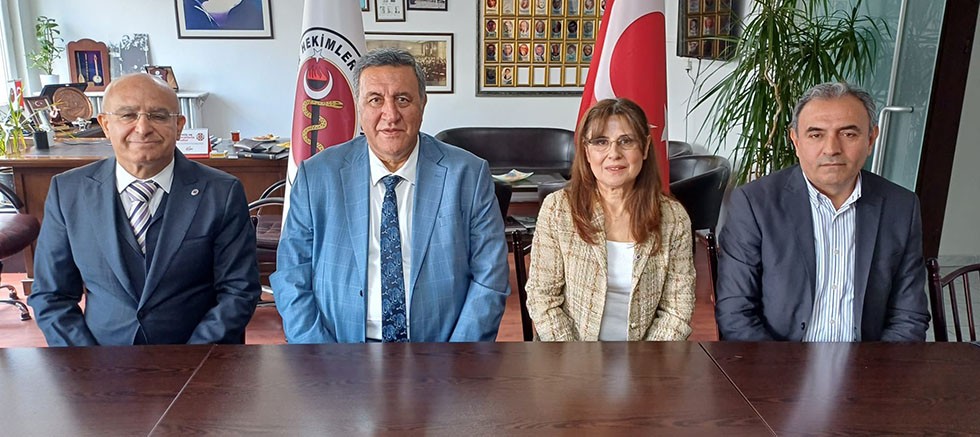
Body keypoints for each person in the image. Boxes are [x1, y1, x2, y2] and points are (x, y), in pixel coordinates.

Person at [273, 48, 510, 343]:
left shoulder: (468, 175)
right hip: (338, 351)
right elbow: (291, 276)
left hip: (440, 351)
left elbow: (490, 278)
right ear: (359, 107)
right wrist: (322, 355)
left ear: (422, 104)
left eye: (402, 99)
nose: (391, 115)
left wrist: (455, 357)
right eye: (375, 100)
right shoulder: (317, 176)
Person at [28, 73, 261, 346]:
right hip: (100, 359)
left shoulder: (222, 192)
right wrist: (86, 361)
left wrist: (194, 360)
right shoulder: (68, 191)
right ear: (105, 124)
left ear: (179, 126)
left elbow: (239, 290)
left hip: (199, 357)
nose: (142, 128)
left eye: (159, 116)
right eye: (127, 115)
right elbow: (51, 295)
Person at [715, 82, 931, 342]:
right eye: (816, 135)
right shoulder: (754, 204)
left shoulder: (901, 207)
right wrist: (780, 367)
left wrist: (874, 367)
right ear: (796, 141)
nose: (831, 148)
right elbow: (736, 313)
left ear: (871, 139)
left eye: (848, 134)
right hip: (777, 360)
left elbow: (908, 316)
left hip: (868, 361)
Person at [526, 98, 696, 341]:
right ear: (586, 151)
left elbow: (677, 309)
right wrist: (576, 359)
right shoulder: (558, 209)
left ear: (645, 148)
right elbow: (543, 298)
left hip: (649, 357)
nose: (614, 154)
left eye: (626, 141)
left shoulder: (673, 217)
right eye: (601, 142)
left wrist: (646, 360)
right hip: (569, 354)